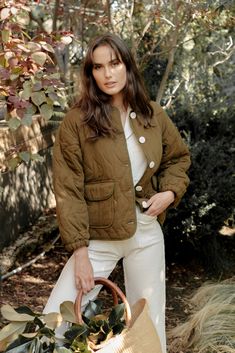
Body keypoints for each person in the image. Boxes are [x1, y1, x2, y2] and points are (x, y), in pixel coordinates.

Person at [43, 33, 191, 353]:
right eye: (98, 67)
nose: (108, 74)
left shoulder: (152, 114)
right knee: (55, 320)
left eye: (115, 63)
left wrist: (169, 192)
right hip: (97, 237)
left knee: (149, 323)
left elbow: (178, 159)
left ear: (127, 65)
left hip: (147, 233)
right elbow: (68, 189)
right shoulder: (77, 122)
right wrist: (80, 253)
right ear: (90, 73)